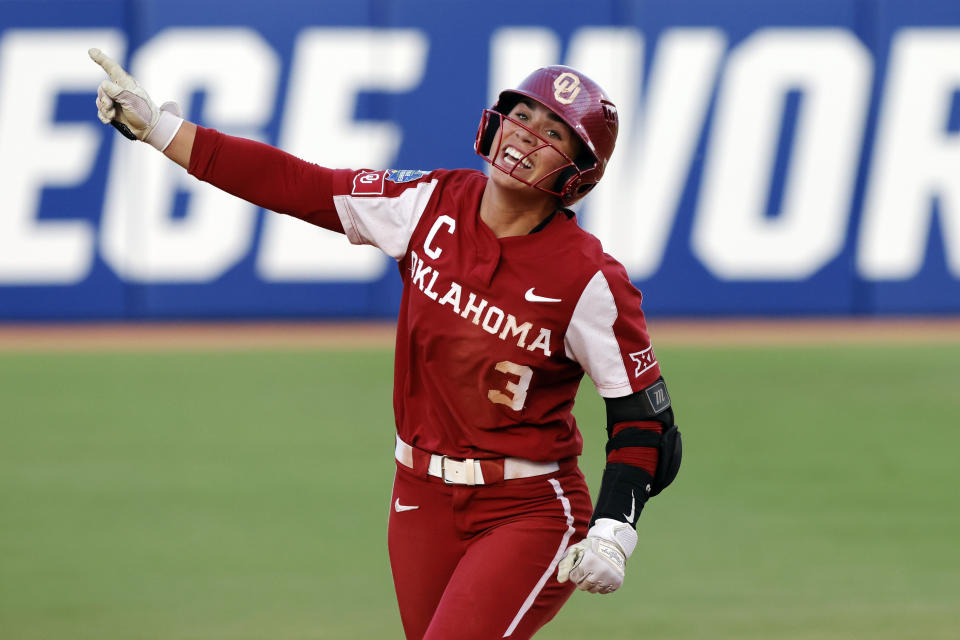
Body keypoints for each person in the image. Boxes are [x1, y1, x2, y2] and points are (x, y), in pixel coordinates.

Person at [89, 48, 682, 639]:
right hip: (418, 494)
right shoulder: (429, 202)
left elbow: (644, 419)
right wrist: (161, 130)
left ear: (579, 172)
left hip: (526, 504)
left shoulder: (589, 279)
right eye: (523, 116)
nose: (527, 136)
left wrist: (614, 527)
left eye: (554, 133)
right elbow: (300, 186)